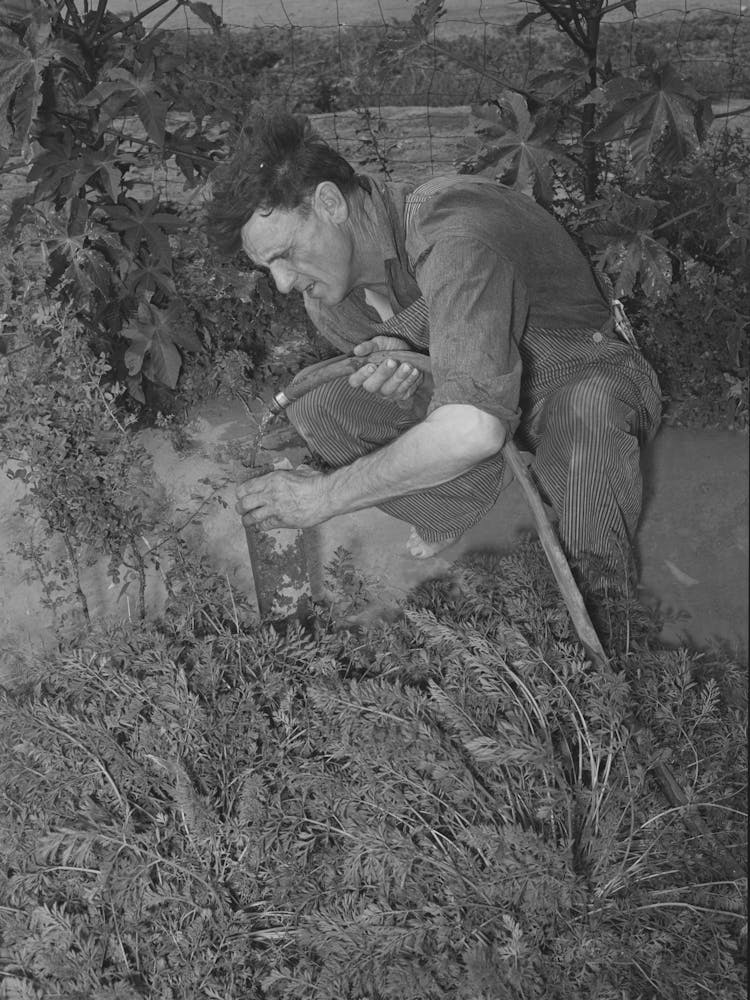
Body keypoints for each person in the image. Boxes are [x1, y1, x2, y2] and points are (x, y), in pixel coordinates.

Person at [205, 113, 661, 592]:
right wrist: (414, 374)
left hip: (578, 368)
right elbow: (448, 389)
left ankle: (607, 607)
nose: (281, 283)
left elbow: (474, 426)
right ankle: (452, 506)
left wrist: (322, 497)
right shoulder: (330, 302)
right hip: (479, 392)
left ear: (330, 203)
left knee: (583, 415)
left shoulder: (450, 226)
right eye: (267, 267)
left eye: (285, 254)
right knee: (321, 406)